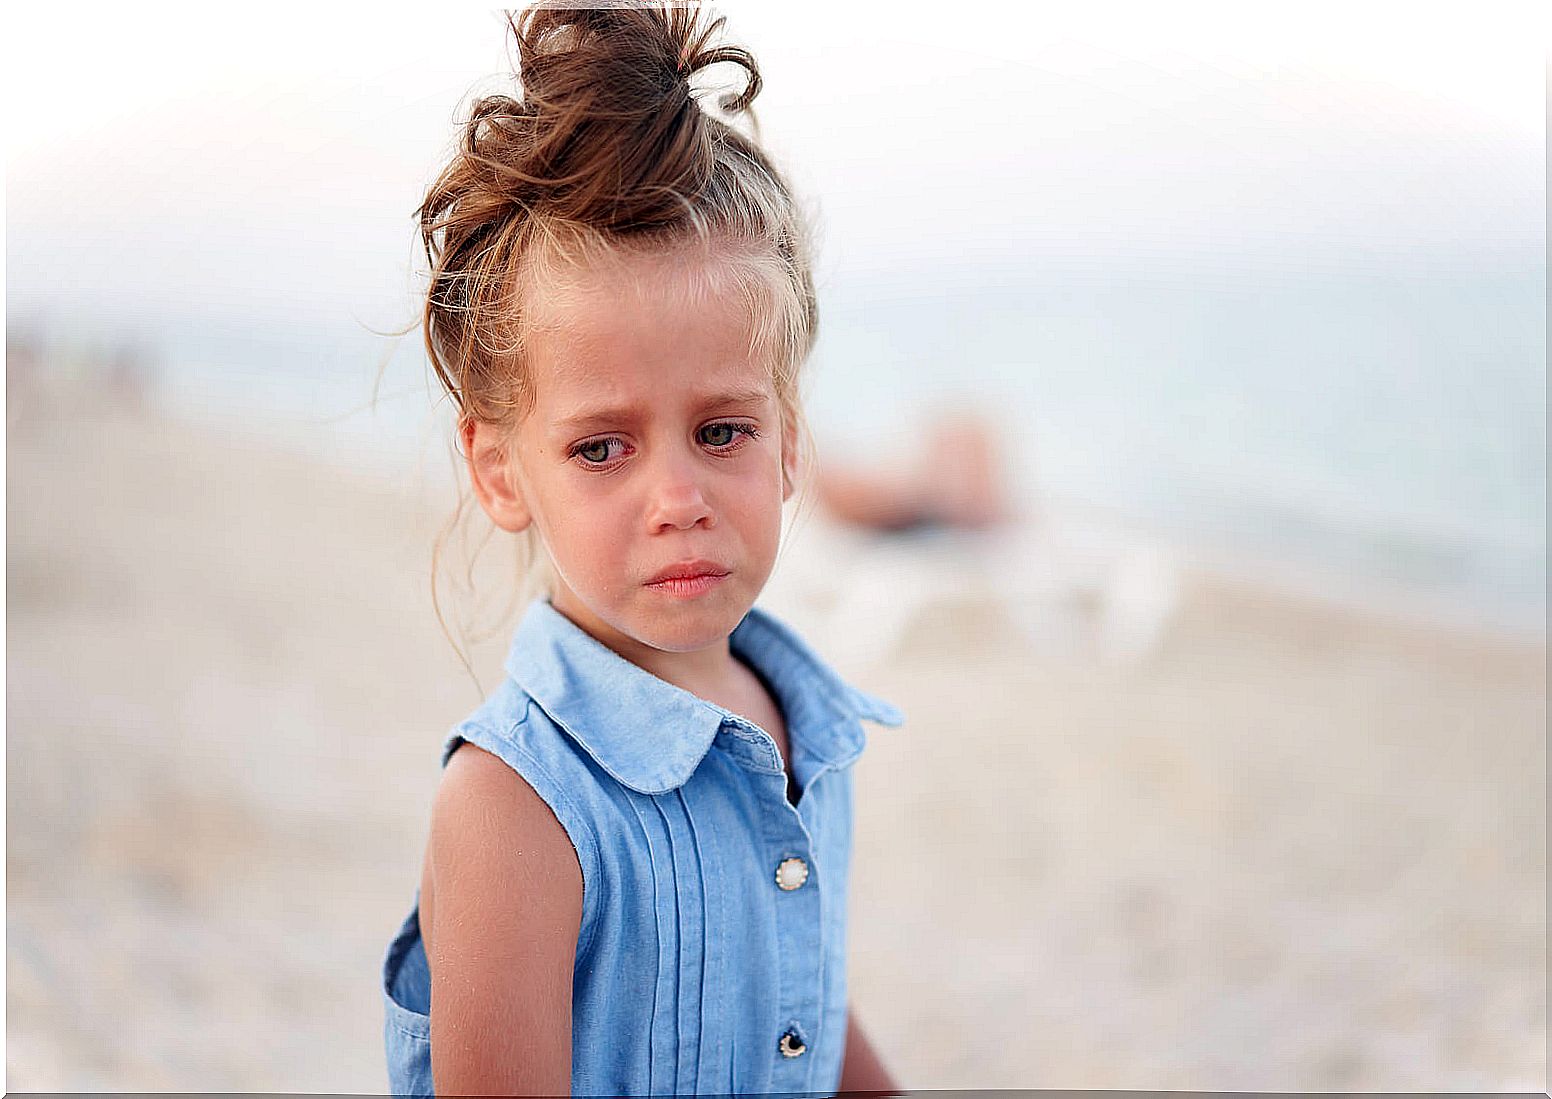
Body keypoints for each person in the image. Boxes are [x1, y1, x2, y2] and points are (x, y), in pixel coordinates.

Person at [379, 6, 906, 1095]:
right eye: (602, 447)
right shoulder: (514, 809)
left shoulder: (807, 730)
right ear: (500, 470)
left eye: (722, 431)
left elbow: (797, 997)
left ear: (791, 439)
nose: (677, 498)